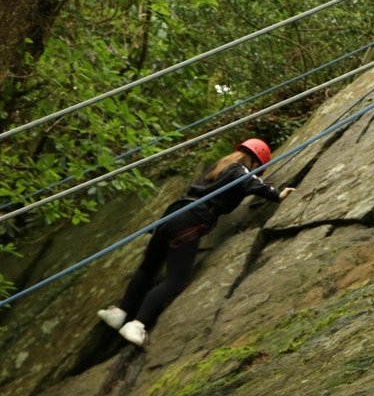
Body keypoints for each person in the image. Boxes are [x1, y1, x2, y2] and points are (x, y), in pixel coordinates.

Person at [97, 138, 294, 346]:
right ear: (255, 162)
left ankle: (120, 313)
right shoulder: (239, 170)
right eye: (258, 168)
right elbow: (249, 181)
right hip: (190, 220)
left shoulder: (220, 166)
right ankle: (136, 325)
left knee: (148, 267)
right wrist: (276, 195)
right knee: (175, 280)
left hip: (174, 212)